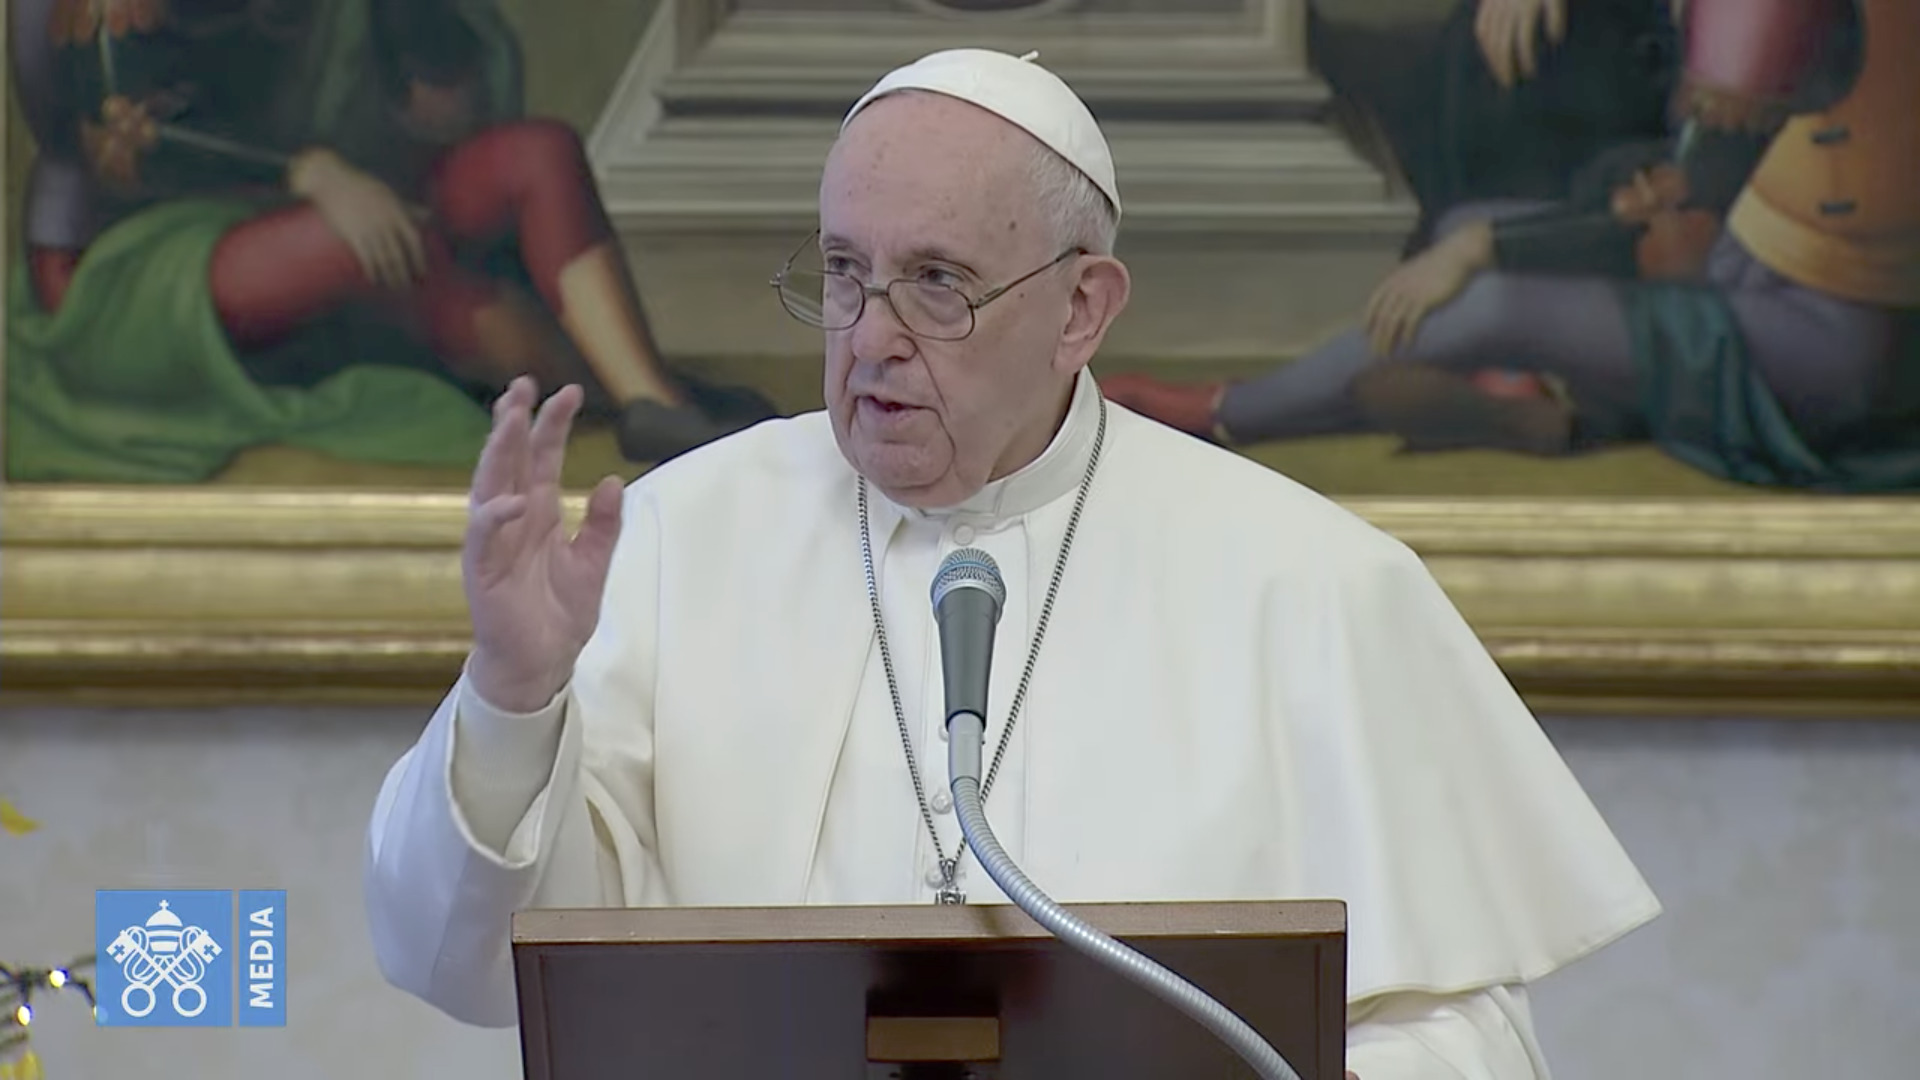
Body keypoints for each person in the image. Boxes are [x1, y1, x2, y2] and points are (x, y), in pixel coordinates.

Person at [364, 48, 1661, 1078]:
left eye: (937, 282)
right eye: (844, 274)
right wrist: (513, 697)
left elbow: (1456, 1038)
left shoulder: (1308, 583)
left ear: (1082, 308)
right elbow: (461, 962)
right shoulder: (672, 539)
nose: (871, 337)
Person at [6, 0, 769, 483]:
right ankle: (601, 391)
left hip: (326, 202)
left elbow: (444, 100)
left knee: (536, 155)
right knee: (386, 252)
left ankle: (649, 398)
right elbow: (119, 138)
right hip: (130, 263)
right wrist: (311, 172)